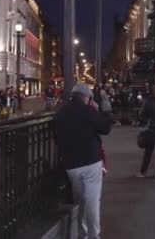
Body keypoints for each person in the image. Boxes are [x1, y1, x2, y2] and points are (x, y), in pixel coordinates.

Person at [53, 83, 111, 239]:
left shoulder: (61, 113)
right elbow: (105, 128)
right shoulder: (88, 111)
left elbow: (57, 138)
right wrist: (98, 110)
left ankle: (82, 234)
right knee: (92, 202)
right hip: (90, 161)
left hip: (71, 164)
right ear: (86, 97)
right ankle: (93, 235)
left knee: (80, 202)